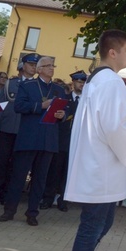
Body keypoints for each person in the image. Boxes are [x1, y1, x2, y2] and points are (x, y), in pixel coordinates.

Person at [65, 30, 126, 251]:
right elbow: (112, 128)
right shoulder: (112, 82)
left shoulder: (97, 79)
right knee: (92, 227)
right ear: (113, 52)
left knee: (101, 224)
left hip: (95, 162)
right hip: (101, 168)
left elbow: (104, 119)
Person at [0, 56, 66, 226]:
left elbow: (63, 112)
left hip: (48, 139)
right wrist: (40, 106)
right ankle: (9, 210)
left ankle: (32, 212)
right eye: (48, 66)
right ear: (39, 69)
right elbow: (19, 106)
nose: (51, 68)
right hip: (29, 137)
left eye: (53, 65)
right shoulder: (27, 86)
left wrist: (61, 116)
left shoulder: (59, 90)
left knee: (40, 179)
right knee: (19, 176)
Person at [0, 54, 39, 204]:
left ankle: (9, 194)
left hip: (25, 130)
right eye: (30, 64)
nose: (33, 67)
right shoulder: (10, 83)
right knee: (1, 161)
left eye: (35, 65)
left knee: (17, 164)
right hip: (7, 128)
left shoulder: (37, 85)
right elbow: (0, 105)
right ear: (23, 66)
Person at [41, 70, 86, 212]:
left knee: (68, 173)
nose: (81, 84)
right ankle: (48, 198)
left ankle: (63, 200)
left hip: (77, 143)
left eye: (84, 82)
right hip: (61, 140)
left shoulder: (87, 101)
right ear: (73, 83)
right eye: (79, 82)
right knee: (54, 170)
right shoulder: (64, 99)